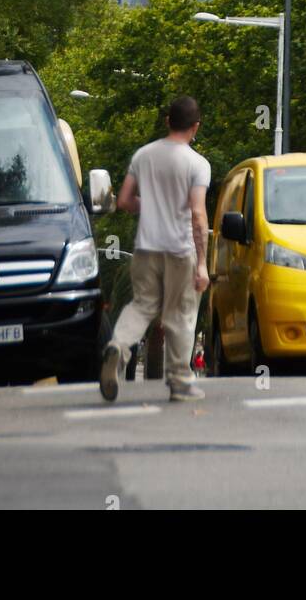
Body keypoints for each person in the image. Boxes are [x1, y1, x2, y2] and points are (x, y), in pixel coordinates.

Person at [100, 95, 211, 403]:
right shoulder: (197, 164)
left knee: (142, 306)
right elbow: (198, 215)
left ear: (167, 121)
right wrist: (202, 263)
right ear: (195, 127)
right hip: (179, 249)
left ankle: (118, 347)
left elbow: (123, 201)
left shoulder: (143, 156)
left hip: (146, 248)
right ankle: (179, 382)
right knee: (181, 314)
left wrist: (149, 207)